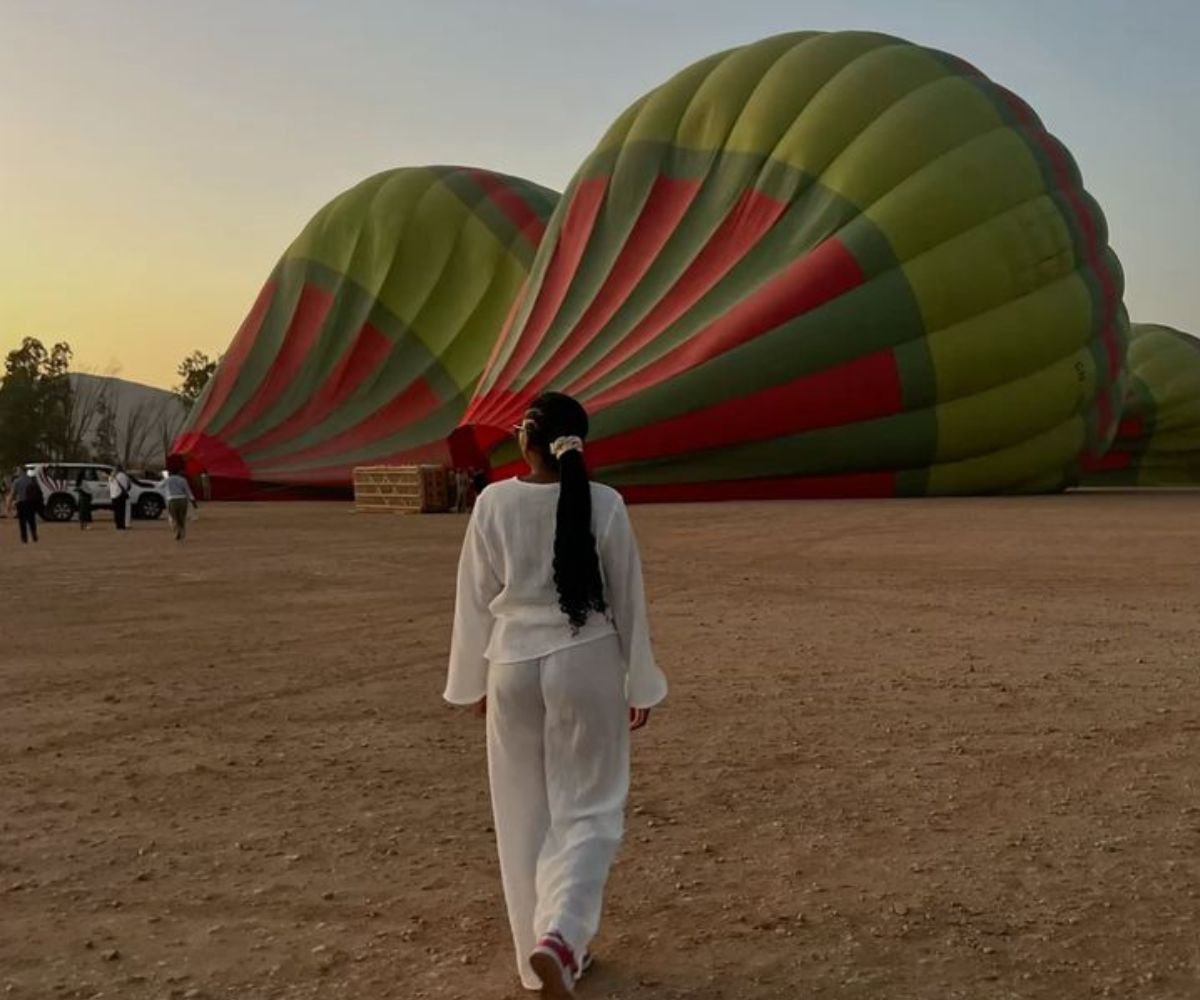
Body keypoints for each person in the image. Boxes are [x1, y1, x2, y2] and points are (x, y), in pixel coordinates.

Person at [445, 391, 667, 998]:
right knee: (589, 810)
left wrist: (472, 681)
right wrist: (638, 678)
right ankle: (563, 937)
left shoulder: (493, 502)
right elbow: (628, 598)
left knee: (522, 817)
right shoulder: (606, 504)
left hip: (511, 665)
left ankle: (532, 960)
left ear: (526, 440)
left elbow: (472, 597)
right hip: (585, 660)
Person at [162, 467, 199, 541]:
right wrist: (193, 501)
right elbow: (188, 491)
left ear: (170, 473)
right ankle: (182, 532)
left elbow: (159, 486)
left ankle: (177, 530)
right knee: (182, 518)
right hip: (182, 500)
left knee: (174, 517)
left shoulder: (167, 480)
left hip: (172, 500)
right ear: (178, 472)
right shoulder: (183, 480)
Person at [11, 468, 41, 544]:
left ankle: (24, 538)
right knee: (32, 520)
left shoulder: (16, 481)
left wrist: (9, 504)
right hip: (31, 503)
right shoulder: (32, 480)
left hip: (21, 503)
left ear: (21, 471)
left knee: (22, 522)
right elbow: (38, 491)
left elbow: (13, 493)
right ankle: (34, 535)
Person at [108, 465, 132, 530]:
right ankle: (122, 525)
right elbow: (127, 485)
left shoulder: (111, 476)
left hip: (113, 495)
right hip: (121, 495)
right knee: (121, 511)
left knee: (116, 511)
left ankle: (117, 525)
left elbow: (110, 486)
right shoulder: (123, 475)